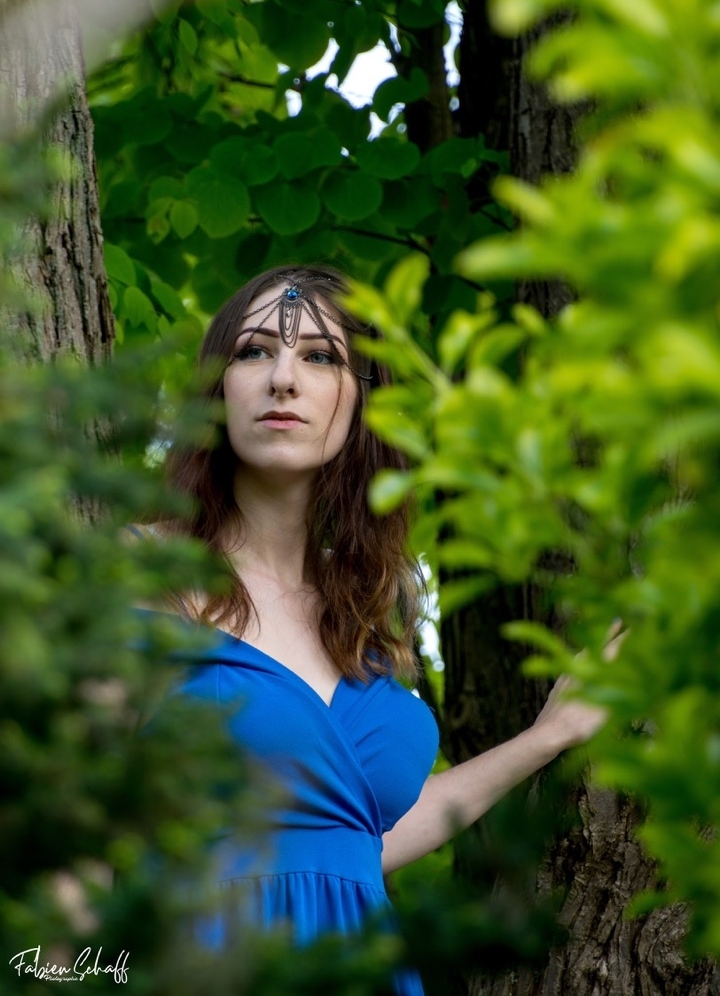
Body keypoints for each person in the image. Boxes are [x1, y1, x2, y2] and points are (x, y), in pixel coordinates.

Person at [131, 263, 611, 995]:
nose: (283, 379)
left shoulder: (366, 607)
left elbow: (359, 839)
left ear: (363, 401)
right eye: (254, 351)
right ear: (216, 390)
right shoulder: (145, 571)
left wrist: (546, 738)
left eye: (320, 357)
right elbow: (69, 823)